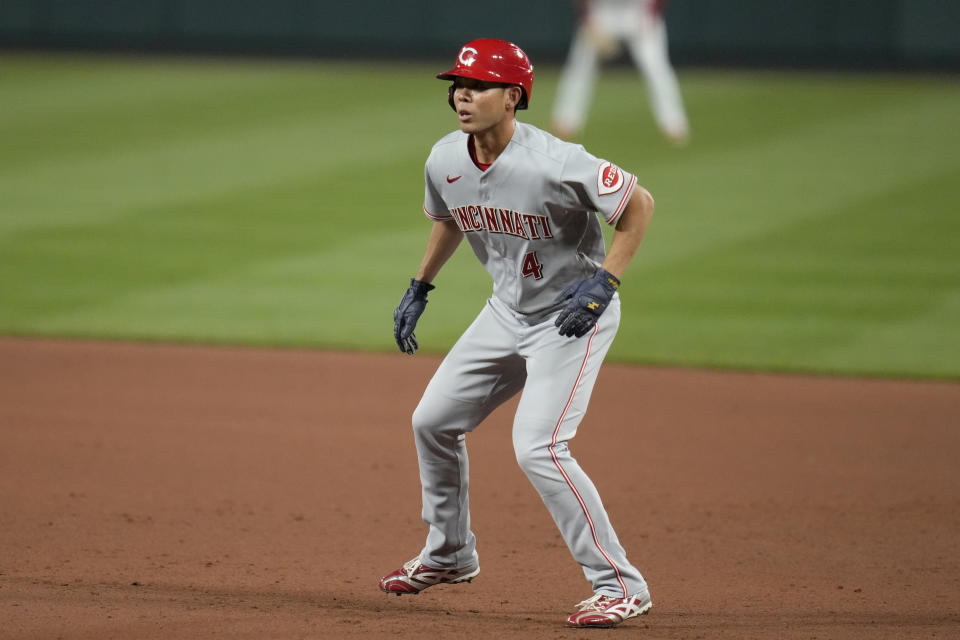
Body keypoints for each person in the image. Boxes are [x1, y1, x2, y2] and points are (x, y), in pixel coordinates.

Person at [379, 38, 655, 629]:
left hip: (570, 318)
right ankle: (450, 554)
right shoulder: (445, 157)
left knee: (539, 447)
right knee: (432, 420)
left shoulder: (556, 160)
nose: (462, 95)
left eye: (478, 86)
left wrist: (605, 283)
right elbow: (452, 217)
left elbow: (639, 206)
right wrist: (420, 284)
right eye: (458, 85)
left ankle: (619, 585)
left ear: (513, 97)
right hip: (505, 312)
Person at [551, 0, 690, 145]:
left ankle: (674, 123)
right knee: (580, 67)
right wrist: (587, 19)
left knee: (656, 67)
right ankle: (566, 121)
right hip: (602, 12)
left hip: (640, 10)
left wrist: (651, 14)